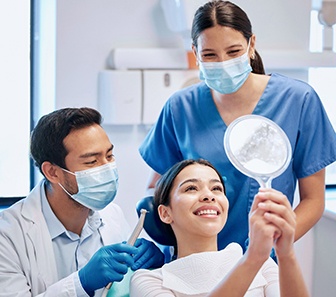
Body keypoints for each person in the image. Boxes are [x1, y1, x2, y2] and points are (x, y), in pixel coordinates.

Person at [139, 0, 336, 255]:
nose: (222, 62)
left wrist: (271, 248)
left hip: (264, 262)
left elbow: (313, 200)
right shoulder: (180, 107)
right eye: (210, 54)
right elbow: (157, 189)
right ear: (196, 52)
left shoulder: (298, 101)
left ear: (251, 45)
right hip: (191, 260)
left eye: (233, 52)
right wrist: (158, 234)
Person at [0, 107, 164, 296]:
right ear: (52, 172)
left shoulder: (112, 215)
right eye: (92, 162)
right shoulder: (8, 236)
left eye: (109, 156)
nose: (108, 168)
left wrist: (152, 267)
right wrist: (81, 282)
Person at [130, 159, 309, 296]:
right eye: (191, 188)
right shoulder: (151, 281)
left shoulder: (263, 266)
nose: (209, 195)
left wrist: (286, 255)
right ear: (165, 213)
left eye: (216, 188)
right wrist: (253, 258)